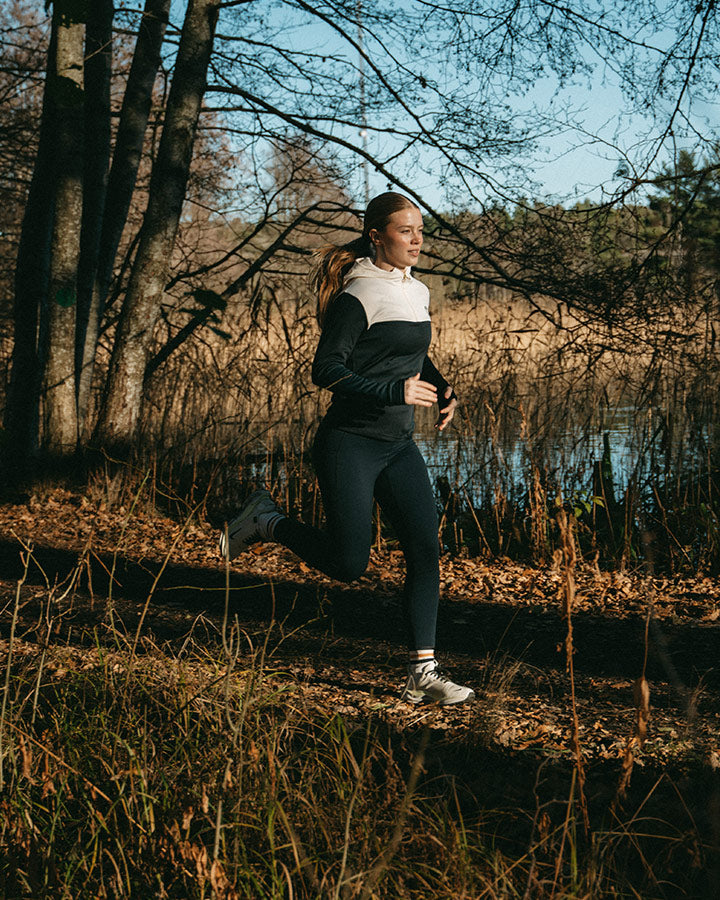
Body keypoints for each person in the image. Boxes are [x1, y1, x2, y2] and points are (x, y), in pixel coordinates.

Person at [220, 192, 474, 706]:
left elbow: (410, 356)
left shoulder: (417, 290)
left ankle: (422, 673)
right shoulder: (357, 293)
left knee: (425, 548)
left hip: (398, 444)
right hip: (350, 445)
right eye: (406, 231)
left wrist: (442, 387)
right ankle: (267, 521)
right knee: (347, 564)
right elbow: (326, 369)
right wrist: (392, 391)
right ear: (377, 236)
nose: (418, 239)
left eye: (421, 230)